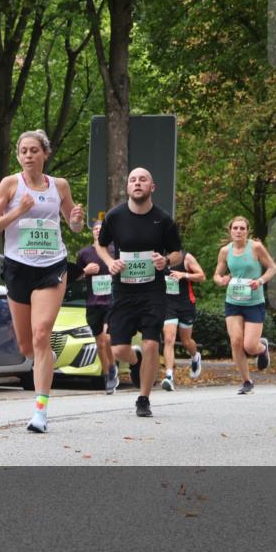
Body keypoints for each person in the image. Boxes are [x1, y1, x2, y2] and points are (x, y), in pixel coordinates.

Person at [0, 129, 85, 433]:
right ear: (18, 156)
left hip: (51, 266)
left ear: (45, 154)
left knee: (42, 333)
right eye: (23, 151)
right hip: (18, 267)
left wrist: (77, 219)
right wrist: (19, 211)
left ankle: (40, 411)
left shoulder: (60, 186)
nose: (28, 155)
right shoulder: (10, 184)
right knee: (27, 346)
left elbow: (73, 224)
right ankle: (45, 358)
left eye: (33, 150)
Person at [95, 167, 182, 418]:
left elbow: (178, 253)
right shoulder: (115, 216)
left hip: (153, 290)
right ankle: (135, 361)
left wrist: (165, 261)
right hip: (123, 290)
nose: (137, 183)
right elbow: (101, 246)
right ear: (127, 188)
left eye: (143, 179)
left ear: (151, 187)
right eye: (133, 180)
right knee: (118, 350)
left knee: (152, 342)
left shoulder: (163, 219)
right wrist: (110, 262)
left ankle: (143, 399)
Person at [212, 216, 276, 394]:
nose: (239, 231)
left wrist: (260, 281)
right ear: (230, 231)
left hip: (254, 301)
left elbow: (272, 268)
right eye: (235, 228)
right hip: (233, 301)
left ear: (247, 231)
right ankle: (247, 381)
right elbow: (216, 275)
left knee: (249, 346)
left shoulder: (255, 247)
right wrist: (222, 280)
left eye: (242, 228)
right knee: (236, 342)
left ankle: (262, 348)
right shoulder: (225, 251)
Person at [76, 219, 118, 394]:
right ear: (92, 232)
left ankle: (113, 366)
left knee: (107, 339)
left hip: (112, 302)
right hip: (93, 303)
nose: (97, 231)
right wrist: (85, 271)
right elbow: (73, 277)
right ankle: (108, 374)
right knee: (100, 343)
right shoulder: (84, 253)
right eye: (95, 228)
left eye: (101, 228)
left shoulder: (115, 251)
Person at [161, 250, 206, 390]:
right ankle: (169, 376)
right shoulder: (157, 257)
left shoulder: (186, 257)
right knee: (169, 339)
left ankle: (195, 356)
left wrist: (183, 275)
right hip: (167, 304)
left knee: (186, 341)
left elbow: (202, 276)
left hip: (185, 304)